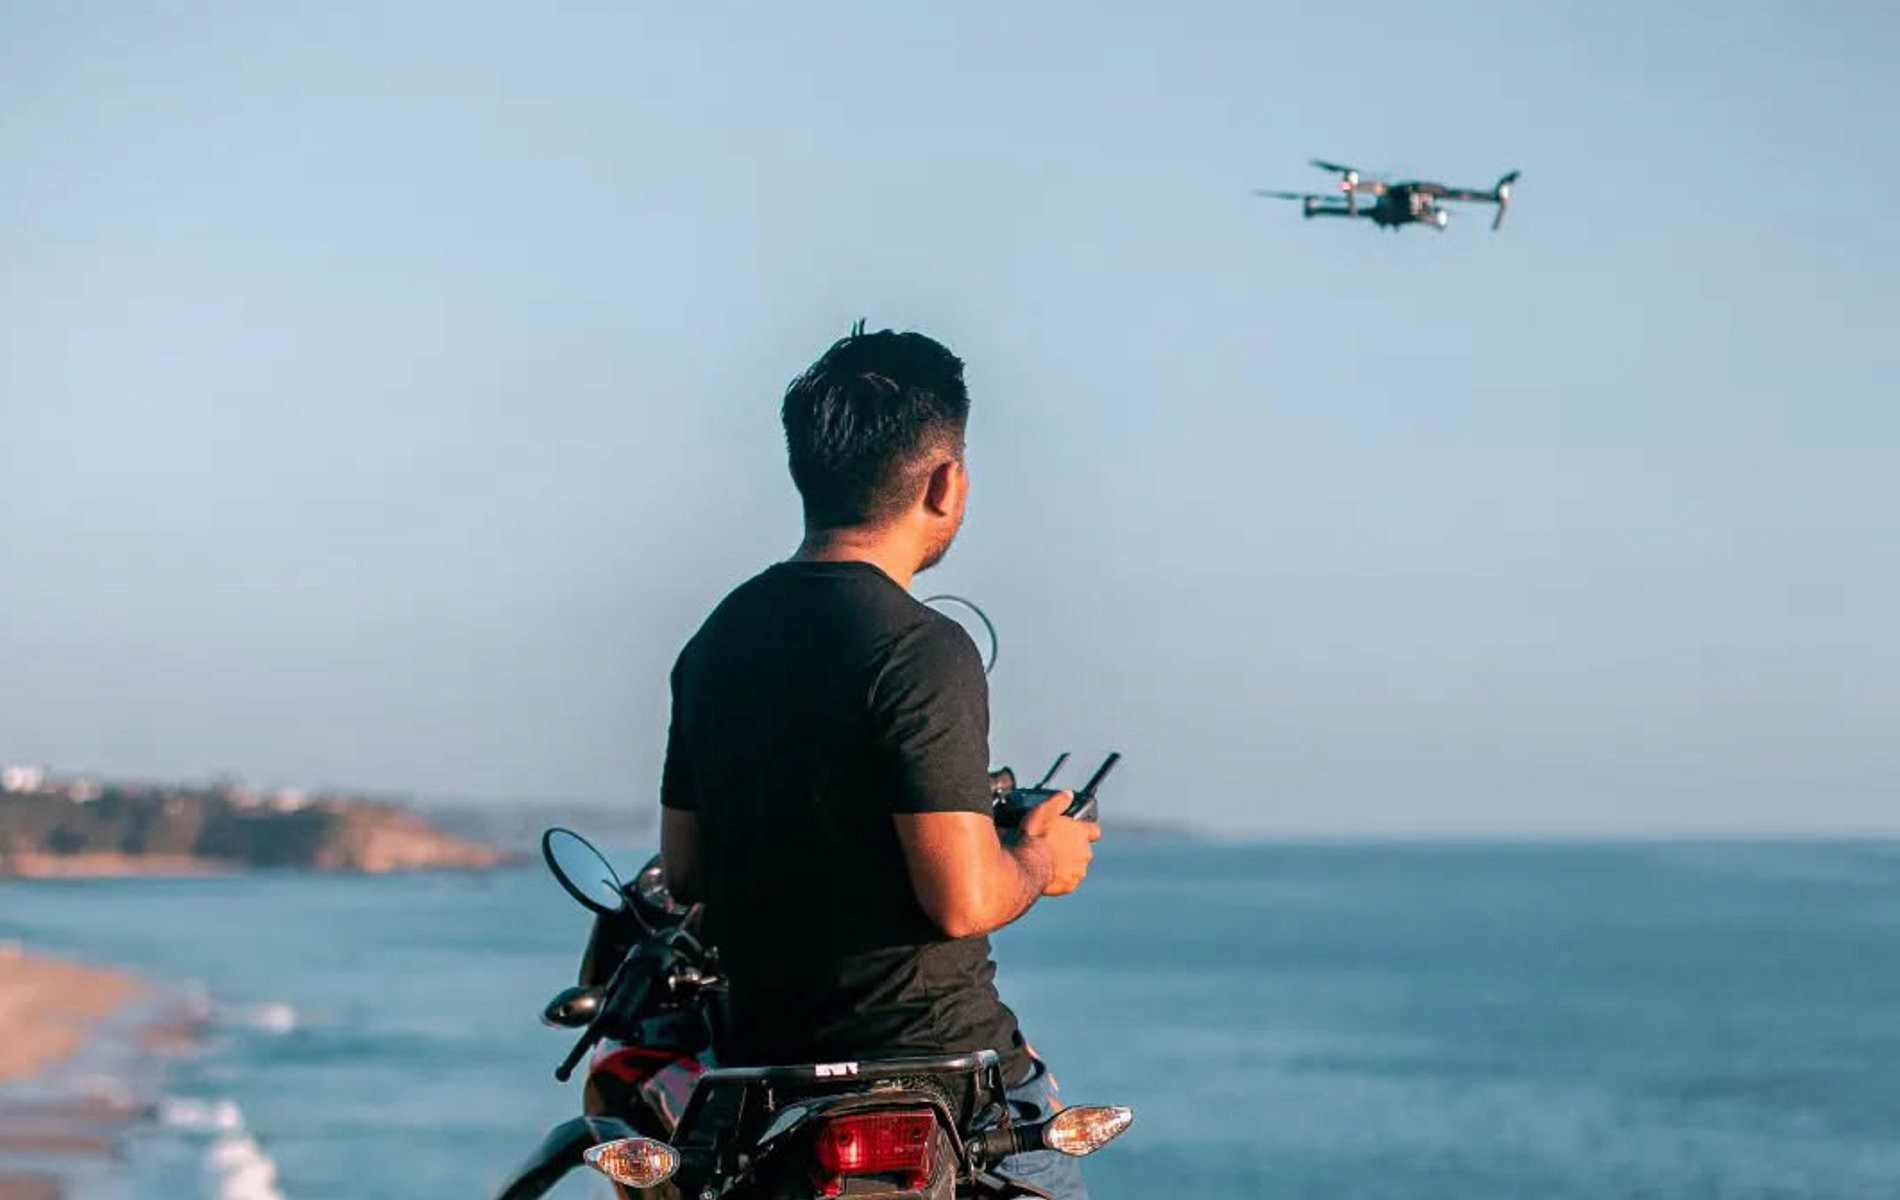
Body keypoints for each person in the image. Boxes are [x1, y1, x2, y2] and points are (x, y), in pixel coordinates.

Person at [658, 325, 1102, 1199]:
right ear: (946, 481)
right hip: (934, 1076)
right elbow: (963, 898)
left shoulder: (715, 640)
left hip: (767, 1080)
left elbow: (687, 870)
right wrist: (1043, 859)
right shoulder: (924, 648)